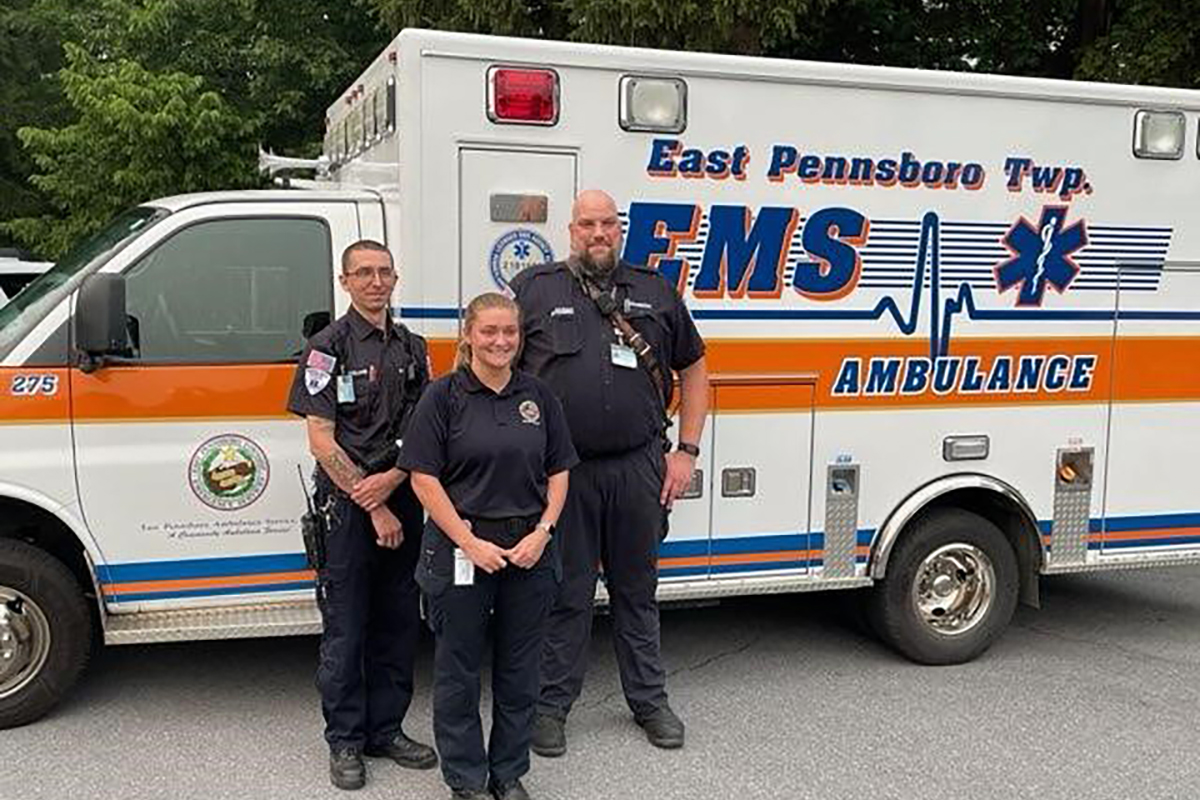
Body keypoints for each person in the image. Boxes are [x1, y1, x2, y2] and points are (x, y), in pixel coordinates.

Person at [511, 189, 710, 755]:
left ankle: (649, 701)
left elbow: (695, 369)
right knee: (566, 593)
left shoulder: (654, 290)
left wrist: (687, 451)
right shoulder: (535, 290)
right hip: (563, 476)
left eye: (607, 223)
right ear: (570, 231)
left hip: (638, 466)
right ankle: (551, 707)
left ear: (618, 229)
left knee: (636, 591)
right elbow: (504, 367)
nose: (598, 233)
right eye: (586, 224)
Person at [398, 292, 577, 800]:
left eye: (510, 332)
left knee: (521, 670)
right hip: (462, 545)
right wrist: (469, 541)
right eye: (490, 331)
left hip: (529, 549)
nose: (501, 341)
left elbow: (559, 470)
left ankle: (507, 772)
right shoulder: (443, 396)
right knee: (458, 669)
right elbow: (423, 478)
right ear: (468, 336)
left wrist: (542, 533)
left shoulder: (538, 397)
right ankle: (466, 778)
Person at [287, 239, 437, 790]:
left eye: (384, 272)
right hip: (347, 509)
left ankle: (386, 729)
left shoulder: (415, 349)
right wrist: (372, 503)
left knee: (399, 623)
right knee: (347, 628)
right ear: (345, 281)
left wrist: (393, 483)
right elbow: (321, 440)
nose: (376, 281)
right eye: (364, 273)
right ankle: (345, 740)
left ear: (395, 279)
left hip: (402, 493)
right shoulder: (326, 349)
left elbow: (425, 432)